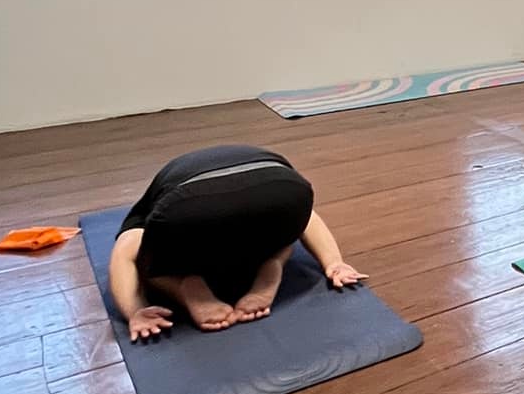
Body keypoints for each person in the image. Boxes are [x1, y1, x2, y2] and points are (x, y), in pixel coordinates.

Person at [108, 145, 364, 340]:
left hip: (189, 203)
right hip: (284, 186)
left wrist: (135, 311)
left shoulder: (151, 206)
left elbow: (126, 250)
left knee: (148, 260)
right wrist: (334, 262)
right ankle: (273, 261)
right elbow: (307, 218)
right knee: (284, 230)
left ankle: (184, 283)